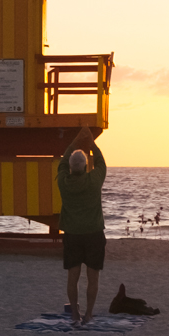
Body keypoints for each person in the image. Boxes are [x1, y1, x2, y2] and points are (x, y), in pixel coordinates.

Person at [56, 126, 107, 325]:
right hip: (93, 233)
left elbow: (61, 163)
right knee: (93, 277)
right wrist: (92, 143)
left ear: (71, 167)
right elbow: (102, 163)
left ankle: (75, 313)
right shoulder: (94, 180)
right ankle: (89, 313)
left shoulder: (63, 181)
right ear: (86, 166)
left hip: (72, 233)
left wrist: (75, 142)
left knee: (73, 276)